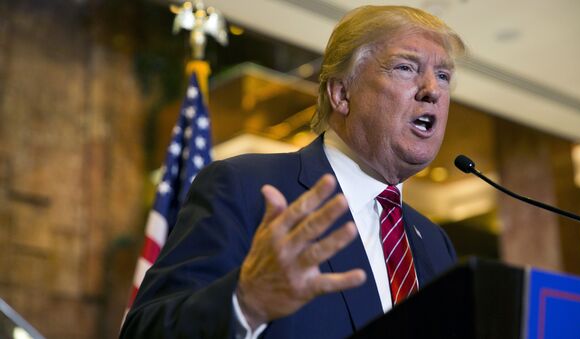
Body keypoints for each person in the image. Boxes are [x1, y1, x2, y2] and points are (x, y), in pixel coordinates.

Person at [121, 5, 466, 339]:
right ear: (341, 93)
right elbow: (144, 331)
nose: (432, 90)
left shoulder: (435, 243)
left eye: (443, 75)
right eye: (406, 67)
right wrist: (246, 303)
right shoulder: (245, 187)